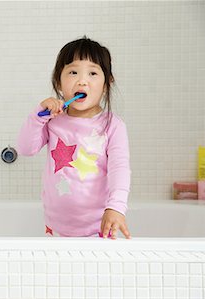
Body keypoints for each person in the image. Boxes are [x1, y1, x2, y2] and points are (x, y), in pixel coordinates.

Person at [17, 36, 131, 239]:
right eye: (73, 72)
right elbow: (26, 148)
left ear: (106, 84)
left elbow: (119, 169)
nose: (82, 80)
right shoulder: (53, 121)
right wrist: (39, 115)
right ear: (59, 82)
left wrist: (116, 207)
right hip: (55, 227)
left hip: (99, 227)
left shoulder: (113, 126)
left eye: (93, 73)